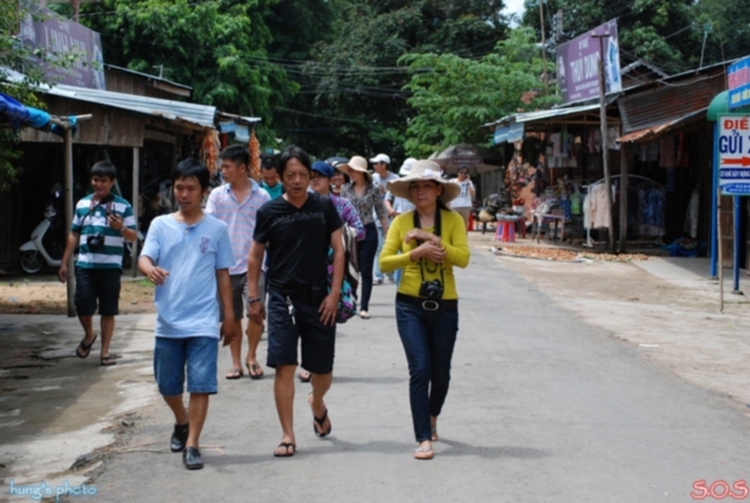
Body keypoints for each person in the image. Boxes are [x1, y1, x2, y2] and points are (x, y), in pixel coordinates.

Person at [138, 159, 238, 470]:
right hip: (168, 321)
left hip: (204, 321)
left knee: (200, 384)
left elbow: (223, 274)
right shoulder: (160, 225)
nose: (183, 194)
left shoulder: (217, 229)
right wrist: (149, 270)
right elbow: (144, 257)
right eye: (179, 187)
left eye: (190, 188)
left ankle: (192, 443)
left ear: (204, 192)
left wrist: (230, 317)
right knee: (167, 385)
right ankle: (181, 421)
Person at [248, 146, 344, 457]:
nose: (298, 181)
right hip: (281, 299)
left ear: (311, 176)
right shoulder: (269, 212)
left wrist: (333, 294)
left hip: (319, 299)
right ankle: (288, 435)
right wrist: (254, 298)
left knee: (323, 371)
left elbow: (339, 250)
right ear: (280, 177)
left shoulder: (325, 207)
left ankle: (316, 402)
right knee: (284, 366)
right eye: (291, 175)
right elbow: (255, 256)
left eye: (304, 175)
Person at [379, 159, 470, 461]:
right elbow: (384, 262)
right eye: (415, 186)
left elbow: (462, 258)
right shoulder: (401, 222)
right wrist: (414, 254)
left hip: (445, 305)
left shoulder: (454, 221)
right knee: (420, 369)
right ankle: (422, 437)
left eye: (426, 186)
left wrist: (431, 239)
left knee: (441, 373)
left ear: (438, 189)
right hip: (410, 305)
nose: (420, 192)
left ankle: (432, 416)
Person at [58, 160, 137, 366]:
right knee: (83, 305)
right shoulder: (83, 204)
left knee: (108, 309)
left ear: (112, 182)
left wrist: (120, 227)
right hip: (85, 263)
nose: (98, 184)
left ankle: (105, 351)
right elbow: (74, 233)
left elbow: (133, 236)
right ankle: (89, 335)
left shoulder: (123, 206)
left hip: (111, 265)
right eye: (95, 180)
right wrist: (64, 262)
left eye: (103, 181)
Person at [206, 145, 270, 380]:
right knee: (230, 317)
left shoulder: (261, 196)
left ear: (242, 168)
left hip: (255, 267)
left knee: (256, 312)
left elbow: (267, 232)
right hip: (224, 267)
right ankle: (235, 362)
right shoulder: (217, 196)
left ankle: (251, 356)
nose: (222, 170)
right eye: (222, 166)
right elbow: (210, 228)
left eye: (227, 166)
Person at [297, 160, 365, 383]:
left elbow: (360, 230)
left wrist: (338, 235)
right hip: (304, 267)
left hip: (332, 269)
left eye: (320, 176)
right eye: (312, 175)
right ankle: (306, 364)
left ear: (330, 179)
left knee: (326, 318)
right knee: (304, 317)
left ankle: (320, 364)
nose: (315, 179)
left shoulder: (342, 205)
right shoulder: (300, 203)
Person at [340, 156, 388, 319]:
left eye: (353, 170)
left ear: (361, 172)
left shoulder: (373, 189)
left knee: (366, 270)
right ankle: (351, 300)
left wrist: (387, 232)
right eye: (349, 171)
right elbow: (341, 211)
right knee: (351, 268)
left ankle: (364, 306)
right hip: (350, 232)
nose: (351, 173)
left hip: (369, 230)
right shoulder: (345, 188)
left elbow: (381, 211)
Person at [384, 158, 416, 285]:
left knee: (410, 254)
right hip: (397, 222)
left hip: (414, 224)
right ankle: (400, 285)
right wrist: (391, 210)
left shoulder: (418, 188)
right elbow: (387, 199)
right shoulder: (395, 184)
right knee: (399, 255)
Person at [371, 153, 398, 285]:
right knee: (378, 247)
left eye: (377, 163)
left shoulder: (395, 179)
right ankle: (378, 276)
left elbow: (396, 199)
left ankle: (391, 274)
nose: (375, 166)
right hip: (376, 217)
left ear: (384, 165)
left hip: (392, 219)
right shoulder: (372, 178)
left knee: (391, 247)